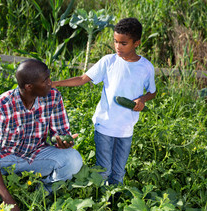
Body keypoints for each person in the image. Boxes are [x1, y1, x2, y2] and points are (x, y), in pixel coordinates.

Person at [0, 59, 83, 211]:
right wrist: (8, 200)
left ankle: (44, 191)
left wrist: (61, 141)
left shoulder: (53, 96)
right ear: (29, 87)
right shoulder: (3, 105)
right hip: (5, 157)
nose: (50, 83)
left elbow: (59, 132)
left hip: (36, 156)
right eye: (45, 80)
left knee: (74, 159)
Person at [52, 17, 156, 185]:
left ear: (136, 43)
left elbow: (152, 92)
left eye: (123, 43)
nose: (117, 46)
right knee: (104, 170)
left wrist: (143, 99)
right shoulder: (108, 61)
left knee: (119, 172)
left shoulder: (146, 67)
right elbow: (82, 78)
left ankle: (114, 204)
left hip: (126, 128)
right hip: (104, 126)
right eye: (115, 41)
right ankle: (100, 202)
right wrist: (56, 83)